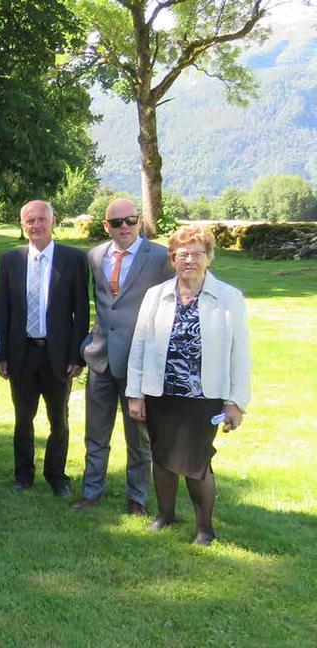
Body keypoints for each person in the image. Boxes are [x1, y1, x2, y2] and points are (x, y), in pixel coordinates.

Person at [126, 225, 251, 546]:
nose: (190, 261)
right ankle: (166, 516)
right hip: (161, 394)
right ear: (172, 259)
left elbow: (240, 354)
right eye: (183, 254)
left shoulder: (229, 298)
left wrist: (235, 402)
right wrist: (135, 394)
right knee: (163, 458)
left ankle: (205, 529)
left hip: (204, 397)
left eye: (197, 254)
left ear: (209, 257)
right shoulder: (157, 296)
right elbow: (139, 346)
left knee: (197, 464)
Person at [72, 199, 173, 516]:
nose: (124, 227)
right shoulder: (96, 255)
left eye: (130, 220)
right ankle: (91, 492)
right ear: (106, 226)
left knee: (139, 437)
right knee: (95, 433)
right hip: (100, 359)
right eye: (116, 223)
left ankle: (137, 498)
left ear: (139, 221)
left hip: (139, 361)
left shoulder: (159, 257)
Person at [0, 200, 89, 496]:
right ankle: (23, 475)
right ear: (23, 225)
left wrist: (76, 355)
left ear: (53, 221)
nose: (36, 226)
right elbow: (3, 311)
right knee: (23, 418)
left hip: (57, 355)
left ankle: (56, 476)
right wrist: (2, 354)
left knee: (58, 419)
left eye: (41, 220)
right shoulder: (10, 260)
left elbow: (81, 312)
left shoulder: (73, 259)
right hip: (22, 353)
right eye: (29, 221)